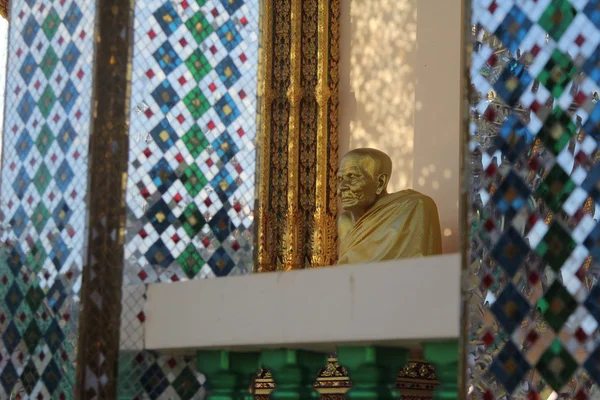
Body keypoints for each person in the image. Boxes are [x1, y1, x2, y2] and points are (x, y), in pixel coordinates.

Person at [337, 148, 442, 264]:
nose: (341, 188)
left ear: (380, 182)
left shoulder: (415, 208)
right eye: (340, 179)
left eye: (352, 177)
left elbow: (419, 269)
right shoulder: (346, 222)